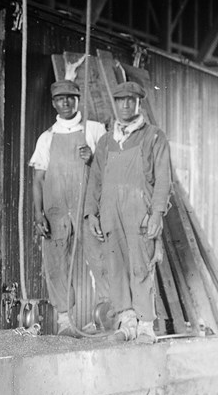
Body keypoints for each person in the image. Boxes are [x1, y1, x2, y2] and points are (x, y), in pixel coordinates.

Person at [85, 81, 172, 343]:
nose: (125, 105)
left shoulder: (153, 136)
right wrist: (91, 214)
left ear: (138, 102)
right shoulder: (105, 141)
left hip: (140, 215)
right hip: (110, 213)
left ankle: (146, 327)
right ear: (115, 103)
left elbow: (164, 178)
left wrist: (156, 213)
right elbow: (95, 181)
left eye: (130, 100)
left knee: (141, 267)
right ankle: (128, 323)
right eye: (120, 100)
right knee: (116, 268)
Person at [29, 80, 108, 336]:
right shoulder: (46, 137)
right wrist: (38, 213)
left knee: (100, 259)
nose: (65, 103)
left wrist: (93, 159)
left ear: (78, 99)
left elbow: (113, 167)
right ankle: (65, 322)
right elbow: (38, 179)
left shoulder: (95, 130)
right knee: (57, 265)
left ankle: (105, 319)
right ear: (53, 103)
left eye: (70, 98)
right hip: (56, 212)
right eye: (60, 99)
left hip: (89, 208)